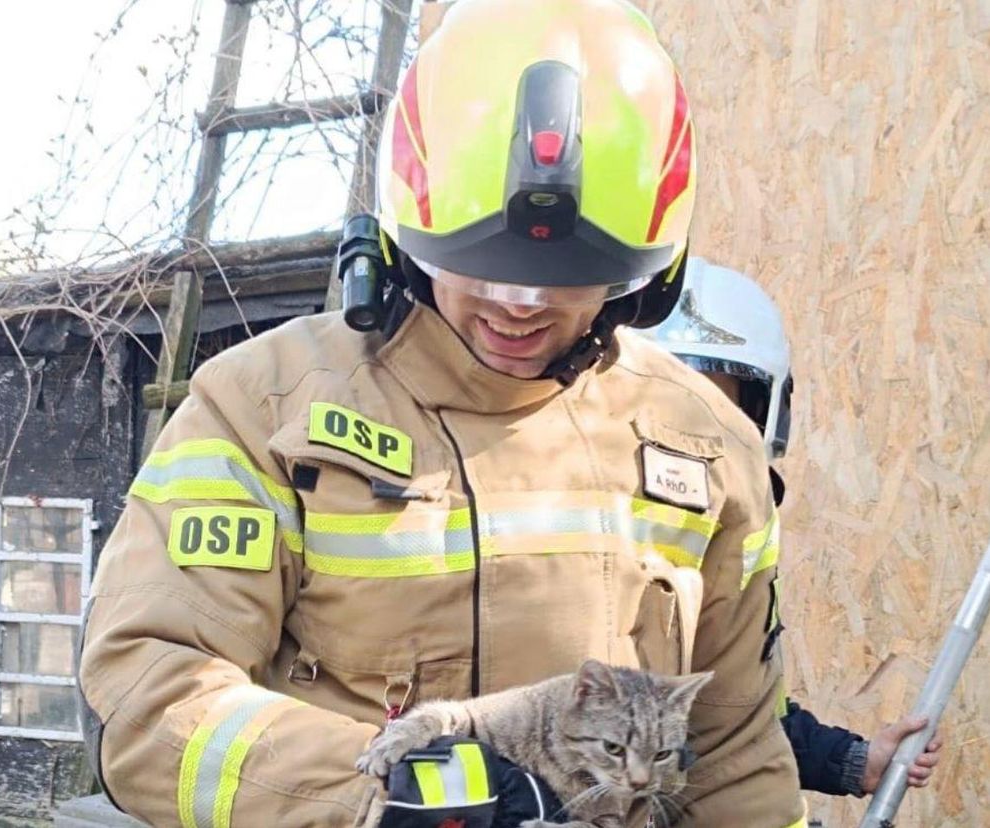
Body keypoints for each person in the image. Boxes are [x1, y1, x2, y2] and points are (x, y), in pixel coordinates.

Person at [77, 2, 806, 826]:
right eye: (481, 265)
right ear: (403, 235)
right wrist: (380, 803)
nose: (521, 305)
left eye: (570, 275)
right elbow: (152, 701)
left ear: (646, 275)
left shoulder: (707, 446)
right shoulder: (262, 408)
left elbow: (741, 754)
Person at [641, 257, 943, 798]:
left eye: (710, 400)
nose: (682, 431)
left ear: (760, 411)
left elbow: (739, 712)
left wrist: (853, 762)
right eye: (663, 398)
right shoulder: (584, 539)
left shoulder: (737, 533)